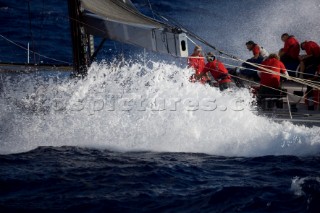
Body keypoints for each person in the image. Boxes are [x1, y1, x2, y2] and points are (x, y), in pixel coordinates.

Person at [299, 41, 320, 110]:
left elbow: (310, 55)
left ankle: (301, 74)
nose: (304, 49)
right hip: (317, 58)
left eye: (303, 48)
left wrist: (303, 58)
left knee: (302, 61)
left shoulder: (307, 45)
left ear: (303, 44)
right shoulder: (312, 42)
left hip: (316, 59)